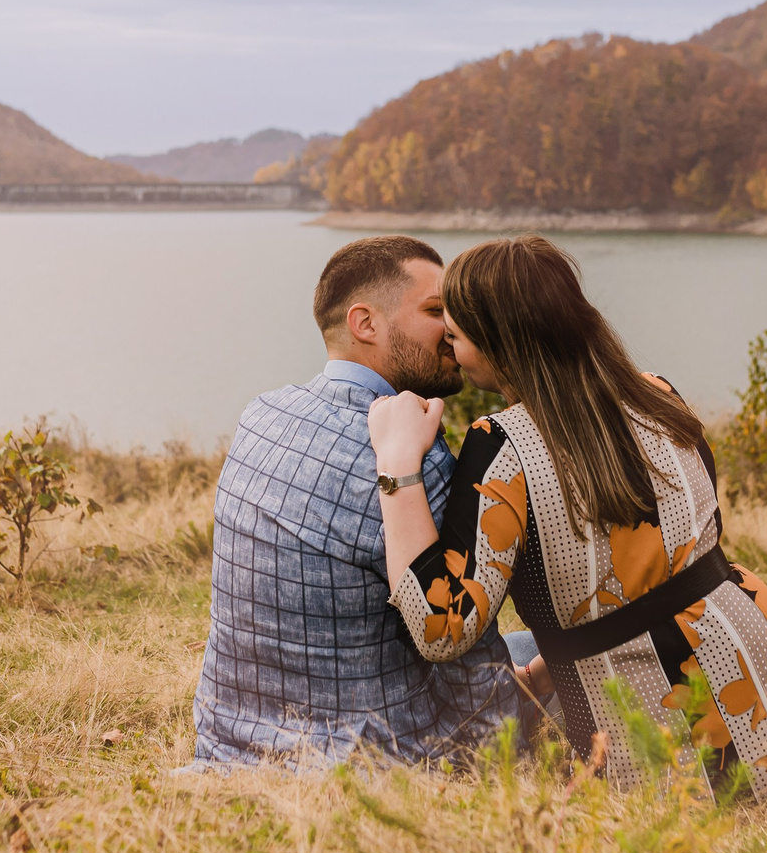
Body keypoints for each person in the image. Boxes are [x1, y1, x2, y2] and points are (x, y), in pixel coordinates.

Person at [367, 235, 767, 798]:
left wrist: (399, 469)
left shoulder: (501, 446)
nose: (448, 342)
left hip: (665, 756)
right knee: (732, 592)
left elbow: (440, 627)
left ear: (503, 340)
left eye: (457, 332)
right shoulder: (656, 392)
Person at [189, 235, 522, 767]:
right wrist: (507, 755)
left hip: (230, 737)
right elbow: (464, 651)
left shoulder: (261, 414)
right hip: (368, 757)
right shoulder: (409, 458)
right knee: (535, 651)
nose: (455, 331)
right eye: (436, 310)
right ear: (365, 323)